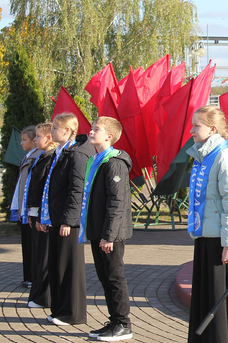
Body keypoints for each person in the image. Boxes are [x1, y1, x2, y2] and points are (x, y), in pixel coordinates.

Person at [186, 106, 228, 343]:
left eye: (196, 126)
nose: (191, 131)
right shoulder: (202, 155)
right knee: (203, 298)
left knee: (218, 303)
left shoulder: (223, 155)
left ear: (212, 129)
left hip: (220, 241)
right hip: (205, 235)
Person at [81, 117, 134, 341]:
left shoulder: (114, 163)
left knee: (114, 278)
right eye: (92, 128)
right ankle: (113, 321)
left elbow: (117, 202)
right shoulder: (96, 160)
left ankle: (124, 324)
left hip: (110, 234)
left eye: (96, 129)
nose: (90, 132)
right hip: (98, 231)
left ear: (109, 136)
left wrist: (108, 236)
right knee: (104, 278)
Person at [41, 113, 95, 326]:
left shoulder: (77, 155)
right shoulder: (61, 152)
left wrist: (69, 220)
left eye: (55, 128)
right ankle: (59, 309)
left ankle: (72, 313)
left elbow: (77, 190)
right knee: (57, 265)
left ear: (68, 131)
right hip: (56, 219)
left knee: (69, 267)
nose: (52, 131)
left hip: (67, 222)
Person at [25, 123, 58, 309]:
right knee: (38, 257)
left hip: (44, 215)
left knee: (44, 257)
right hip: (35, 212)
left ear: (49, 138)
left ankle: (45, 297)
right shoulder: (41, 157)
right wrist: (30, 211)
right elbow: (33, 187)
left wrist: (40, 216)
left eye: (38, 136)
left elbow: (45, 190)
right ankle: (37, 294)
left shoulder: (51, 159)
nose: (35, 139)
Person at [9, 126, 39, 288]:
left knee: (32, 245)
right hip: (24, 208)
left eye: (24, 140)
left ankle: (33, 277)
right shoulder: (28, 156)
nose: (21, 143)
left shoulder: (37, 158)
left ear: (35, 140)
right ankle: (28, 276)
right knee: (26, 244)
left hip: (30, 209)